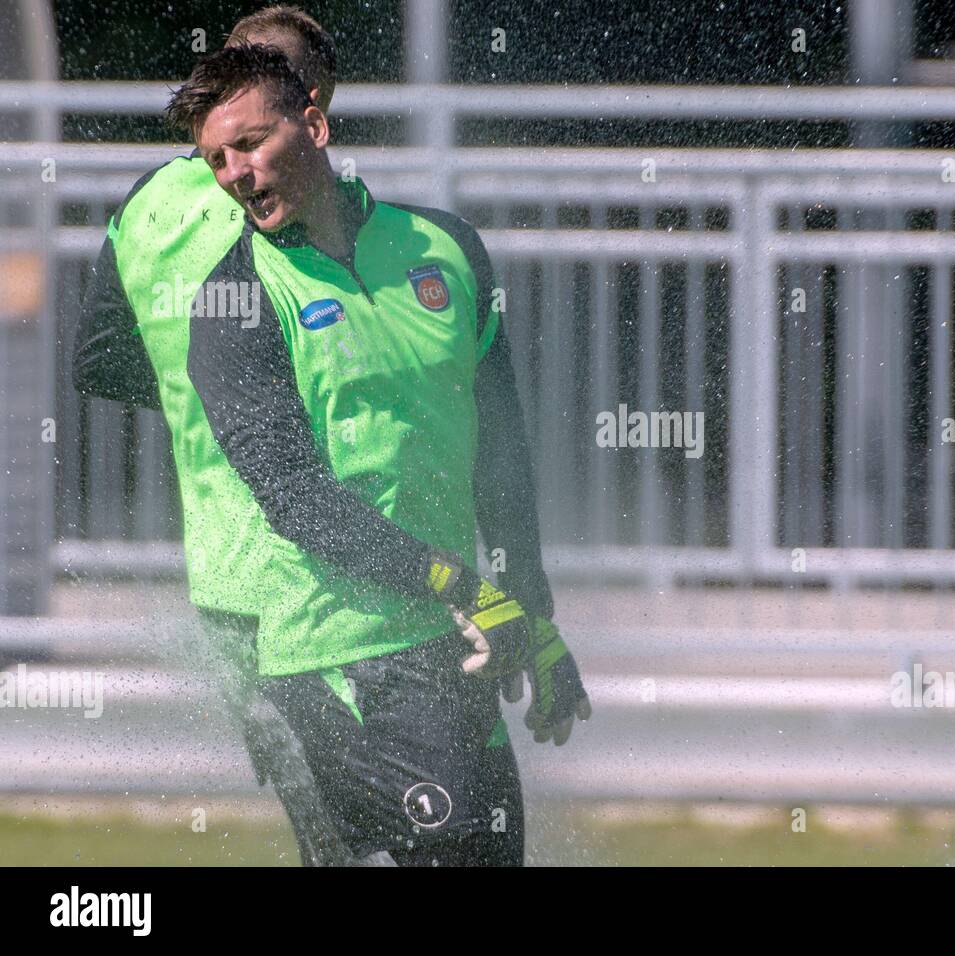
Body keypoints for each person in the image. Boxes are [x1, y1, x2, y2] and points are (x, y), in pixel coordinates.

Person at [164, 42, 590, 865]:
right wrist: (465, 585)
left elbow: (501, 458)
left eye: (250, 144)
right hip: (333, 656)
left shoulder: (447, 250)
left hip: (451, 643)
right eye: (216, 159)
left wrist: (535, 619)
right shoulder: (233, 307)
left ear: (314, 123)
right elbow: (298, 502)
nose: (234, 173)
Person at [74, 5, 358, 865]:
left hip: (229, 575)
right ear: (320, 101)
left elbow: (95, 362)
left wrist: (212, 401)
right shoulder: (313, 205)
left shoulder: (147, 200)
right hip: (345, 572)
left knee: (331, 832)